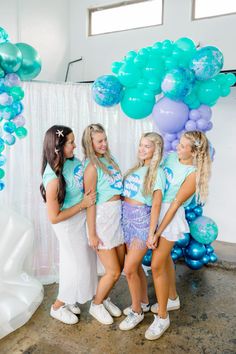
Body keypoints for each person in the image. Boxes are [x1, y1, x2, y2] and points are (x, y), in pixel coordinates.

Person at [145, 131, 211, 340]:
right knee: (164, 262)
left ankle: (163, 317)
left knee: (156, 265)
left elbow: (174, 205)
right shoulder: (172, 157)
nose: (177, 148)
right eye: (179, 144)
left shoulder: (192, 174)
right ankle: (172, 298)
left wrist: (157, 230)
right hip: (157, 210)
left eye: (183, 146)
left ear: (195, 153)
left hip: (170, 218)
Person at [40, 125, 97, 325]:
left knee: (79, 262)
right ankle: (57, 306)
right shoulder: (53, 180)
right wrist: (83, 204)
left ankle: (70, 298)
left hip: (80, 217)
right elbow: (54, 217)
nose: (75, 146)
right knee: (77, 266)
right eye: (71, 142)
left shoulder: (73, 161)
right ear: (58, 147)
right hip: (66, 223)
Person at [118, 132, 166, 331]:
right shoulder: (135, 169)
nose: (142, 149)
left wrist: (152, 233)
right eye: (140, 145)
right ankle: (144, 302)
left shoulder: (157, 173)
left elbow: (155, 206)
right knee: (135, 267)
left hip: (141, 222)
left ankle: (136, 312)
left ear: (156, 150)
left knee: (128, 269)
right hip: (125, 218)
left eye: (147, 146)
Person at [82, 123, 125, 325]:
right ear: (90, 144)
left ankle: (104, 297)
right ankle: (96, 304)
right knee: (113, 271)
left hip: (117, 217)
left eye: (105, 139)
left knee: (120, 267)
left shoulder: (110, 159)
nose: (104, 144)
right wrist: (92, 233)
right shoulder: (91, 167)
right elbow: (90, 204)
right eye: (100, 141)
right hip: (103, 221)